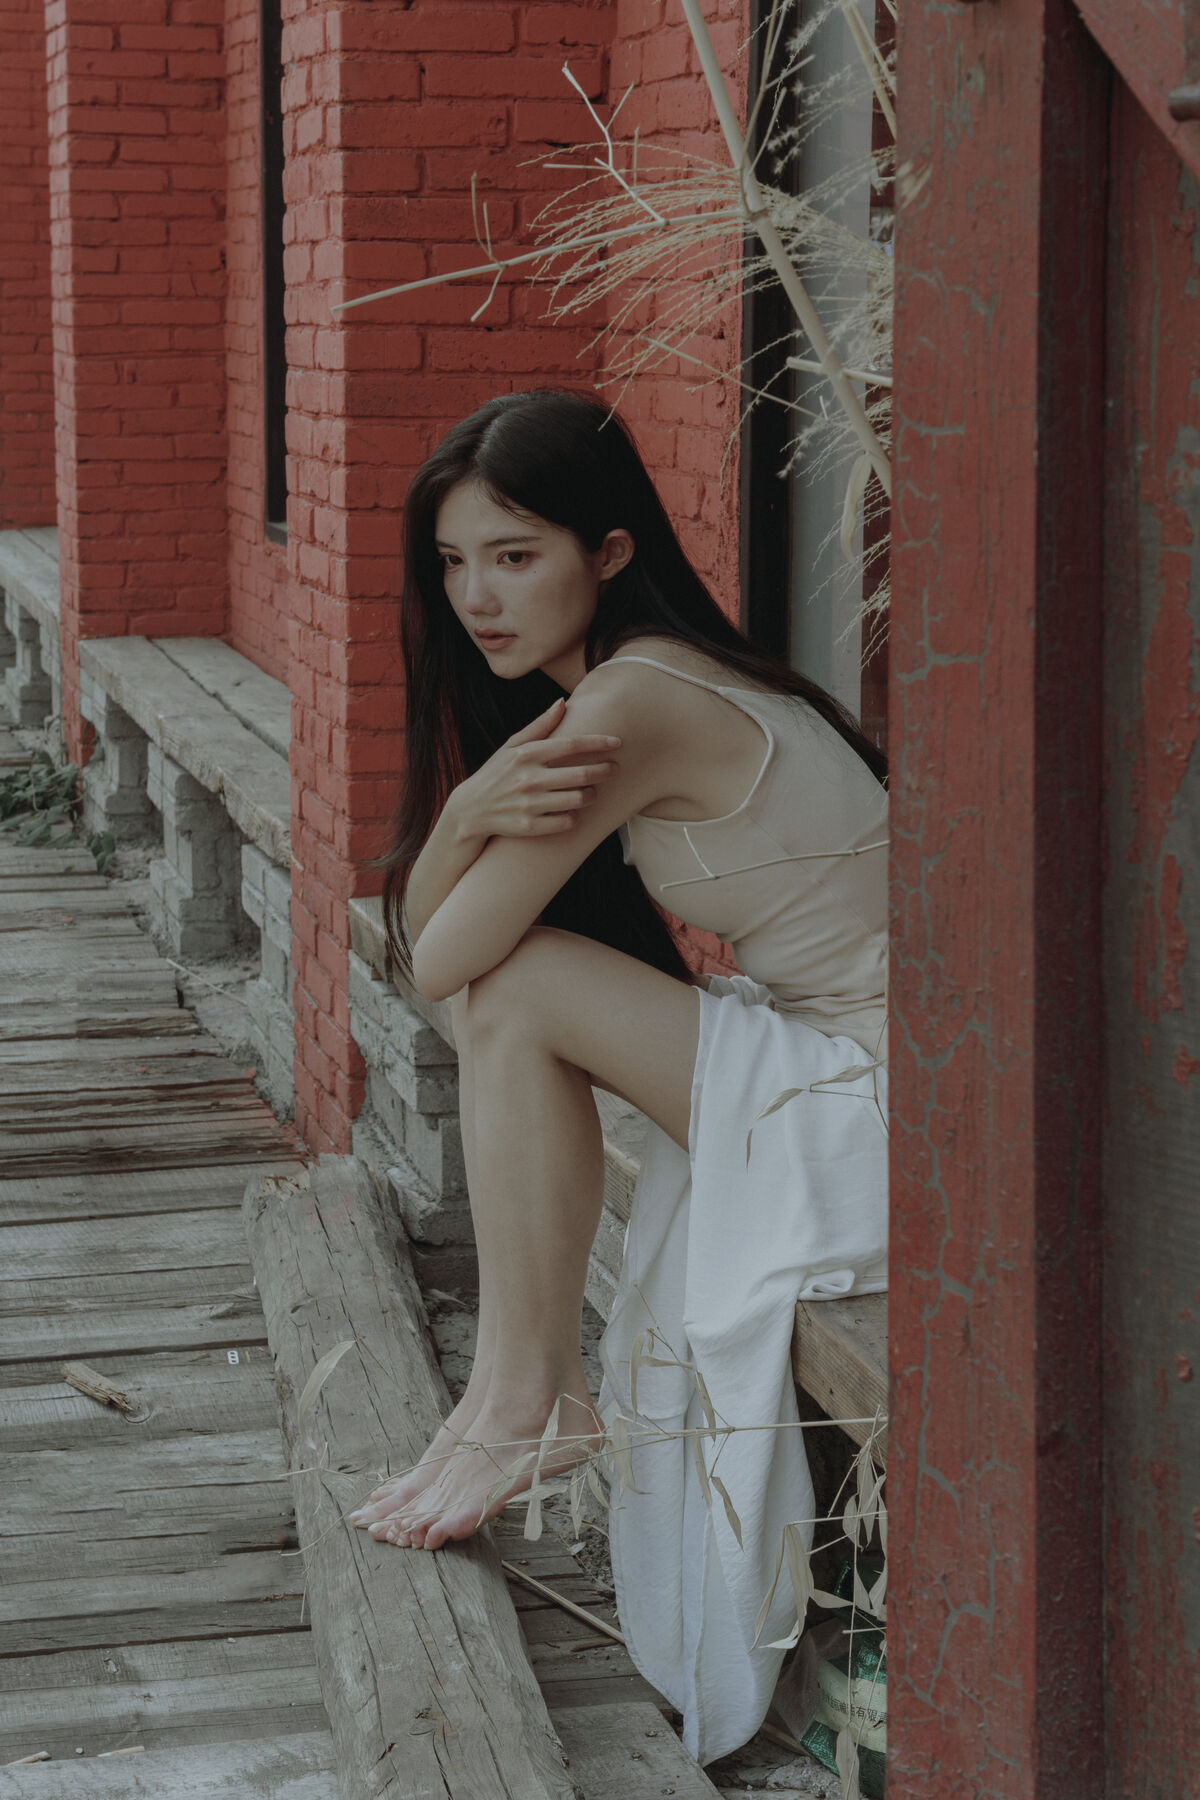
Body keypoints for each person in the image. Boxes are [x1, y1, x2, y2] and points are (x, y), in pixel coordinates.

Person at [347, 388, 889, 1763]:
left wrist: (463, 815)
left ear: (608, 549)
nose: (477, 596)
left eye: (514, 555)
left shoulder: (628, 704)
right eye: (453, 562)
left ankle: (528, 1398)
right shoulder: (644, 676)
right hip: (857, 1067)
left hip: (888, 1105)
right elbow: (449, 962)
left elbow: (440, 957)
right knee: (513, 995)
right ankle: (512, 1396)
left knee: (516, 987)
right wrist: (474, 810)